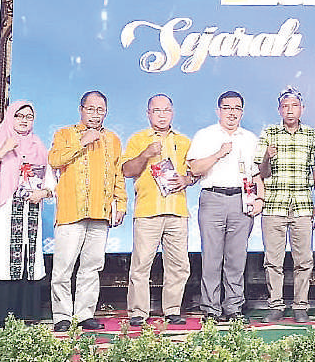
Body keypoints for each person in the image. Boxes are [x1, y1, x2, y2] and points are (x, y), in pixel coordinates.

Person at [0, 101, 55, 324]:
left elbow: (50, 181)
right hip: (0, 211)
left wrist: (44, 193)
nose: (24, 120)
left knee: (25, 256)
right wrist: (3, 151)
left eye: (28, 116)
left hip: (28, 211)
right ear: (9, 117)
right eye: (19, 116)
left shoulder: (38, 146)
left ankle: (23, 313)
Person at [48, 91, 127, 332]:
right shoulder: (65, 134)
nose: (95, 114)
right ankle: (61, 315)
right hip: (72, 211)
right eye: (90, 109)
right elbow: (54, 160)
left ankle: (84, 314)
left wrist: (121, 203)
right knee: (63, 267)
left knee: (92, 266)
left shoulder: (112, 138)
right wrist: (81, 142)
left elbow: (118, 174)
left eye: (100, 109)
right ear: (81, 109)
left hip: (100, 212)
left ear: (106, 112)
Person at [187, 90, 263, 323]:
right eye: (227, 108)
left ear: (242, 112)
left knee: (237, 257)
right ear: (218, 110)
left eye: (237, 108)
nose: (232, 112)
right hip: (213, 199)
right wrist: (219, 154)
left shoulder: (250, 138)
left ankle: (234, 307)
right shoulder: (205, 135)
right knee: (211, 257)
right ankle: (211, 308)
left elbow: (256, 173)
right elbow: (195, 169)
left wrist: (260, 198)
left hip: (242, 200)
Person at [120, 94, 194, 327]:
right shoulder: (137, 139)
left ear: (172, 113)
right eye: (156, 111)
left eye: (166, 110)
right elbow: (126, 170)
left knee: (179, 265)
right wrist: (145, 154)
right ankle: (138, 312)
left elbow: (195, 172)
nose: (162, 115)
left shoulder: (184, 141)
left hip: (177, 209)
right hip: (147, 210)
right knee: (141, 264)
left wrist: (187, 179)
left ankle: (172, 309)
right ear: (148, 113)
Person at [254, 87, 315, 324]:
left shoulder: (312, 135)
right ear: (279, 110)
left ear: (301, 109)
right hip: (274, 206)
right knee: (273, 260)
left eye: (294, 106)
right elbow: (261, 173)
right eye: (285, 106)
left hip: (303, 205)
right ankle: (275, 305)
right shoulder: (269, 133)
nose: (289, 110)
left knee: (304, 260)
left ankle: (300, 306)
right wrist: (266, 157)